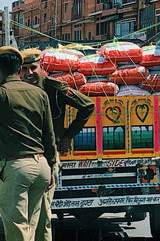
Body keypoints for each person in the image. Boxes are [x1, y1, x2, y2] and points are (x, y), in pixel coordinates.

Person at [19, 48, 95, 241]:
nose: (29, 73)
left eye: (33, 68)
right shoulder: (17, 89)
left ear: (41, 67)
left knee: (43, 211)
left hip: (48, 155)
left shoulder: (55, 88)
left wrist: (69, 135)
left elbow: (87, 106)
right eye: (24, 69)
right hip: (23, 156)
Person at [0, 46, 57, 240]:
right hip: (41, 167)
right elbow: (49, 136)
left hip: (16, 168)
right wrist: (51, 168)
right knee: (30, 230)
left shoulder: (2, 93)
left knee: (17, 230)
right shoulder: (39, 94)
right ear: (18, 70)